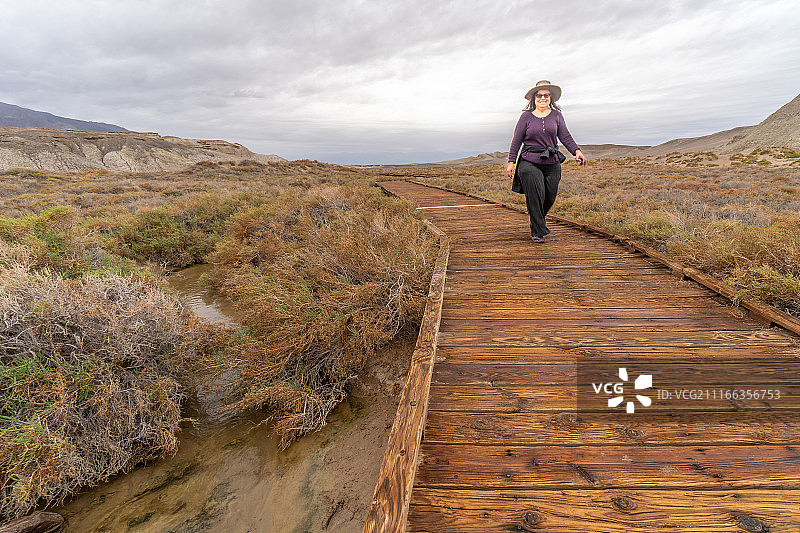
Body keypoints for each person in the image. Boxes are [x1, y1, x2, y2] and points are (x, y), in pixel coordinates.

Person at [506, 80, 587, 242]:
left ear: (551, 98)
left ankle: (536, 221)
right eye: (539, 95)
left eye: (546, 95)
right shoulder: (526, 117)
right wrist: (511, 162)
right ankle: (538, 231)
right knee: (536, 194)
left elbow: (565, 136)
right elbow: (517, 140)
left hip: (551, 160)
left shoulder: (557, 116)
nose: (543, 98)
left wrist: (576, 151)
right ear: (534, 98)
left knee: (549, 196)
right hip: (529, 161)